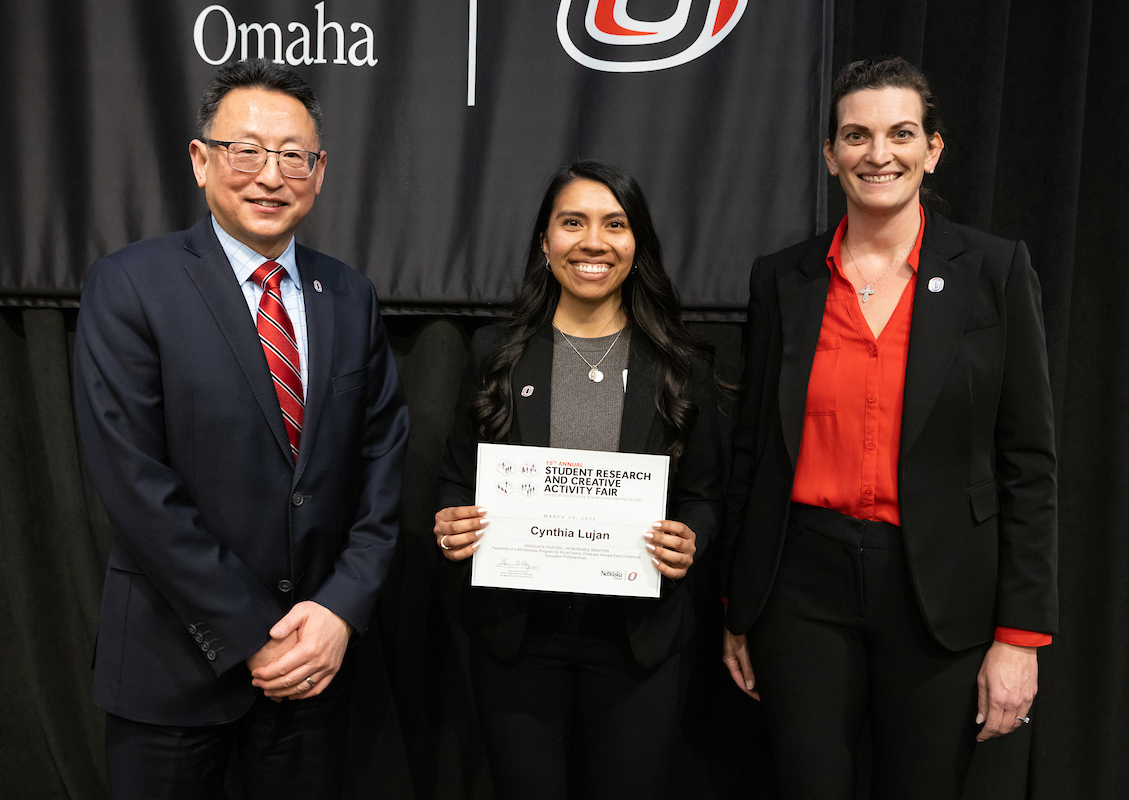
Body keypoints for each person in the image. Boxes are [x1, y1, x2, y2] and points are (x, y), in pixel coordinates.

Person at [721, 56, 1058, 798]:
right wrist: (738, 606)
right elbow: (754, 450)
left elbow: (1028, 463)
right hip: (801, 589)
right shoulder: (783, 278)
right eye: (857, 136)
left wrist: (1020, 638)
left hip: (939, 591)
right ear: (830, 155)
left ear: (933, 149)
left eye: (901, 133)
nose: (880, 154)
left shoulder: (994, 270)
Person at [73, 58, 408, 798]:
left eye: (294, 155)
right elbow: (134, 483)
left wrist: (339, 612)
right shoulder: (130, 284)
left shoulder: (350, 295)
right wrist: (255, 634)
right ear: (201, 159)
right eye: (245, 150)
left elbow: (383, 465)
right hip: (171, 669)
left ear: (319, 173)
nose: (270, 174)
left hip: (314, 668)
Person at [434, 161, 722, 799]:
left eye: (614, 224)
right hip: (518, 639)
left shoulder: (681, 362)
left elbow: (705, 495)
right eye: (573, 223)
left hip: (638, 647)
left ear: (636, 243)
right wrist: (449, 527)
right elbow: (456, 480)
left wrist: (690, 538)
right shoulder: (495, 351)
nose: (593, 242)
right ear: (544, 240)